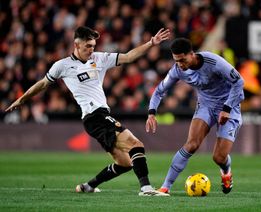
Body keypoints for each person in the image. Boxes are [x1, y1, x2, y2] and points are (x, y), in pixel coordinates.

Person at [5, 26, 170, 196]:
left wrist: (151, 43)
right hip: (94, 116)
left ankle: (88, 186)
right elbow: (42, 84)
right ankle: (146, 189)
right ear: (76, 45)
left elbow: (128, 57)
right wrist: (22, 99)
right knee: (136, 145)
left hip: (100, 117)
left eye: (93, 45)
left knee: (125, 163)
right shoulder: (62, 65)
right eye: (88, 46)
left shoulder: (100, 58)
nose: (91, 50)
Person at [145, 38, 244, 195]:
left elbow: (239, 82)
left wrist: (227, 108)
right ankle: (165, 187)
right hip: (205, 106)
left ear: (192, 54)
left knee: (219, 157)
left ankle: (226, 172)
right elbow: (159, 91)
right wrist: (151, 112)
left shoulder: (215, 62)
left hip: (229, 107)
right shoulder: (177, 70)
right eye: (176, 61)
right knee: (191, 145)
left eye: (183, 60)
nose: (180, 65)